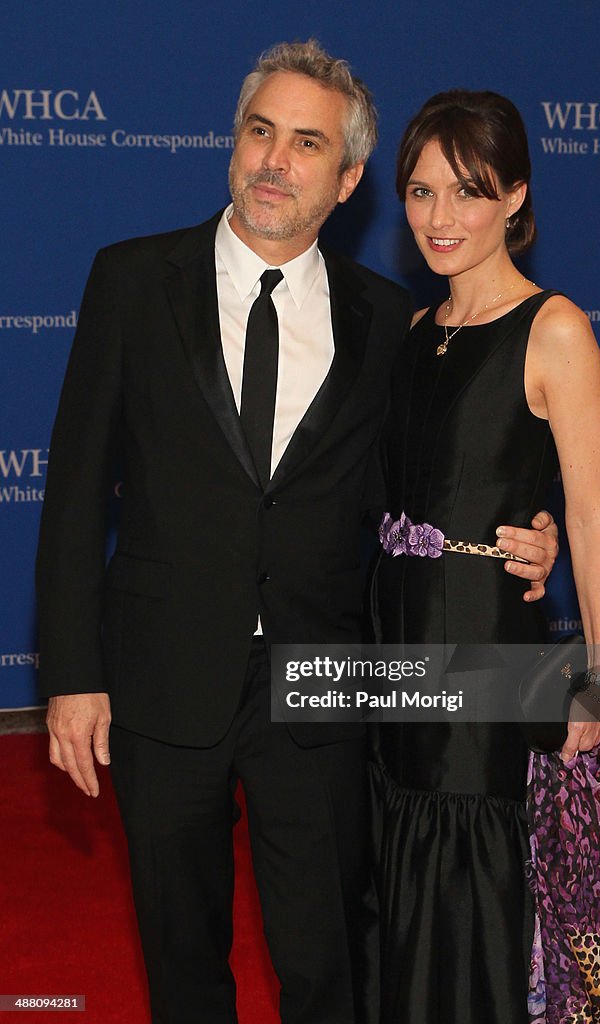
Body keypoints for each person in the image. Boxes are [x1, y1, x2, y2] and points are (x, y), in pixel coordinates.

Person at [35, 44, 558, 1024]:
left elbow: (422, 496)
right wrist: (71, 672)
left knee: (330, 958)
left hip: (320, 683)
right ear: (234, 144)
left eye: (306, 142)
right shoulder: (133, 279)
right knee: (179, 953)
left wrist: (527, 539)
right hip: (160, 673)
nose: (274, 160)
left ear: (348, 178)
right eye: (259, 131)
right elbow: (71, 491)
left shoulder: (387, 318)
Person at [370, 90, 600, 1023]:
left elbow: (591, 514)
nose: (440, 219)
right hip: (392, 656)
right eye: (419, 191)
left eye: (468, 192)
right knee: (400, 840)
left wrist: (599, 681)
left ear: (516, 196)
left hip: (488, 659)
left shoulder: (554, 328)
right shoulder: (411, 336)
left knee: (476, 848)